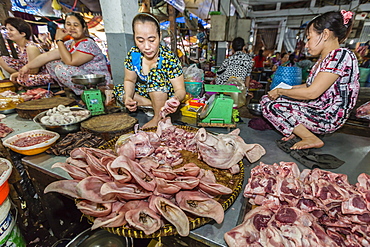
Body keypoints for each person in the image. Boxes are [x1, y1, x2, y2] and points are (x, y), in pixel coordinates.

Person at [260, 10, 359, 150]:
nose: (306, 45)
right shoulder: (325, 59)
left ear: (324, 34)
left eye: (309, 38)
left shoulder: (340, 55)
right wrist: (280, 91)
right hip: (316, 108)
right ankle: (298, 131)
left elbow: (312, 93)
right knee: (267, 100)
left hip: (327, 116)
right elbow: (308, 85)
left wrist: (281, 91)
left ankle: (310, 138)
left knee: (273, 106)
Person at [112, 13, 186, 129]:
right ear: (134, 38)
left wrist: (175, 99)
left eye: (152, 40)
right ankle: (154, 105)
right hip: (147, 94)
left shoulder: (168, 57)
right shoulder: (133, 54)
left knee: (154, 74)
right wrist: (128, 98)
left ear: (160, 36)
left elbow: (180, 90)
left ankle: (158, 117)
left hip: (166, 95)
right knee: (119, 90)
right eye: (140, 40)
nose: (146, 46)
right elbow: (129, 80)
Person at [19, 12, 112, 95]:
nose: (72, 28)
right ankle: (68, 90)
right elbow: (47, 56)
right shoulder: (68, 44)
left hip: (97, 81)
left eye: (76, 25)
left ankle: (89, 92)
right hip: (82, 79)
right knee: (51, 63)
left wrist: (59, 40)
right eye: (68, 24)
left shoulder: (88, 44)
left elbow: (70, 62)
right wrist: (26, 67)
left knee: (61, 68)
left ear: (83, 28)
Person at [0, 17, 54, 87]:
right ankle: (20, 76)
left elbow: (34, 70)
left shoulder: (31, 47)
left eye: (11, 30)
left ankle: (20, 77)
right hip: (27, 72)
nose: (8, 32)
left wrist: (15, 75)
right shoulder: (19, 47)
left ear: (23, 34)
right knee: (2, 59)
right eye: (7, 29)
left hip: (43, 74)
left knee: (23, 80)